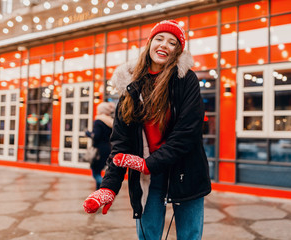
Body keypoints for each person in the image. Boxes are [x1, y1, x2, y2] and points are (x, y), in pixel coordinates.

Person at [83, 19, 211, 240]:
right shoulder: (130, 84)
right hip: (147, 178)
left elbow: (187, 133)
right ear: (150, 43)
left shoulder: (185, 80)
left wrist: (147, 163)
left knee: (190, 236)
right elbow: (121, 142)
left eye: (172, 42)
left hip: (186, 172)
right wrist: (109, 187)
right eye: (159, 39)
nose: (164, 45)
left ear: (178, 51)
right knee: (148, 236)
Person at [85, 101, 115, 190]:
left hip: (99, 150)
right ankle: (98, 191)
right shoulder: (110, 121)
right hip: (108, 148)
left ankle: (105, 188)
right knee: (100, 170)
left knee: (95, 173)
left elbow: (96, 136)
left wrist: (88, 133)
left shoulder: (98, 121)